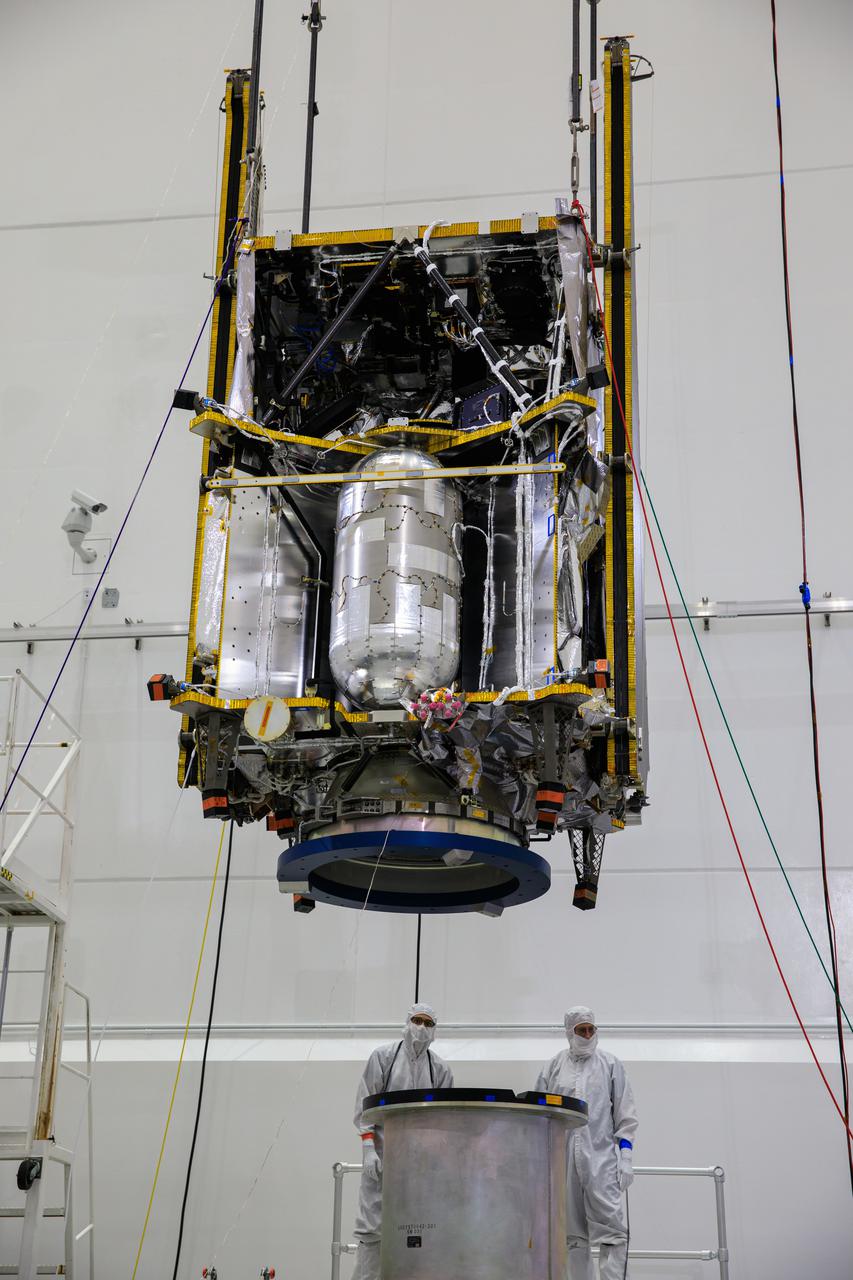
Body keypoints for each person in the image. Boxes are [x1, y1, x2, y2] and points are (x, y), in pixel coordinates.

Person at [351, 1002, 454, 1280]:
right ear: (407, 1022)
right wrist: (368, 1147)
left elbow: (445, 1120)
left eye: (428, 1024)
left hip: (422, 1163)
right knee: (374, 1228)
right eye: (417, 1021)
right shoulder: (383, 1057)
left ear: (435, 1031)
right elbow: (365, 1106)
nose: (422, 1028)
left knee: (417, 1228)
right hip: (384, 1154)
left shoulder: (440, 1069)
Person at [536, 1005, 638, 1280]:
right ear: (569, 1032)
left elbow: (625, 1115)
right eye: (581, 1030)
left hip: (601, 1161)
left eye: (591, 1029)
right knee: (572, 1237)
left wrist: (625, 1156)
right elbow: (538, 1116)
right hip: (564, 1162)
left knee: (613, 1235)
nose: (587, 1035)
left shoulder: (610, 1064)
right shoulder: (554, 1067)